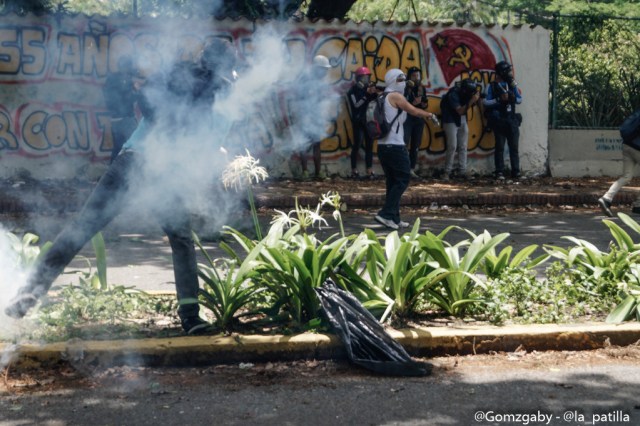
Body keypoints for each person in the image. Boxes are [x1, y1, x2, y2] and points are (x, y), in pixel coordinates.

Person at [4, 39, 238, 336]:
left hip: (132, 161)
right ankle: (191, 317)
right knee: (181, 240)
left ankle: (27, 295)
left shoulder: (175, 76)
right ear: (228, 69)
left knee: (81, 227)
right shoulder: (223, 99)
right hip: (164, 173)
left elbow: (145, 104)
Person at [374, 68, 436, 230]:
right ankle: (386, 214)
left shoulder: (381, 96)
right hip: (395, 146)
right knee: (403, 179)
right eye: (400, 80)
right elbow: (413, 110)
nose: (403, 84)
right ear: (393, 81)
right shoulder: (395, 96)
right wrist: (429, 115)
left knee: (393, 181)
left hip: (382, 146)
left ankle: (394, 218)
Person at [293, 54, 331, 179]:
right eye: (324, 69)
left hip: (315, 117)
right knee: (304, 144)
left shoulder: (317, 81)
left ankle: (317, 172)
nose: (326, 72)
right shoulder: (306, 79)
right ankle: (305, 171)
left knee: (316, 144)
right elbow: (299, 97)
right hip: (305, 117)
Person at [483, 61, 523, 180]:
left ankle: (515, 171)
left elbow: (520, 99)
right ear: (502, 72)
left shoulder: (511, 84)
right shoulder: (491, 86)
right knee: (499, 147)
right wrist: (498, 100)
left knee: (514, 147)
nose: (510, 73)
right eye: (507, 71)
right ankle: (499, 171)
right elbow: (485, 102)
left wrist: (512, 97)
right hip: (499, 120)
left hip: (511, 119)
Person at [598, 109, 640, 217]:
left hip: (626, 146)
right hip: (638, 149)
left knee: (626, 176)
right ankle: (638, 205)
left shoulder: (637, 112)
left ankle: (606, 198)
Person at [103, 56, 142, 163]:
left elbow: (109, 99)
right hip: (126, 119)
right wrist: (137, 90)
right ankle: (135, 174)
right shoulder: (124, 81)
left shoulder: (111, 79)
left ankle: (111, 174)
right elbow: (129, 99)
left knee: (118, 148)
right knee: (136, 146)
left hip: (114, 120)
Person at [440, 78, 481, 181]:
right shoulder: (453, 94)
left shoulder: (465, 93)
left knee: (463, 145)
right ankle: (447, 172)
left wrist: (475, 99)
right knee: (452, 146)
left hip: (462, 119)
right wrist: (472, 100)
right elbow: (460, 111)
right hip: (450, 119)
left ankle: (462, 170)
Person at [347, 66, 378, 179]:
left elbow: (376, 102)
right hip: (358, 121)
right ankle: (354, 170)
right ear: (358, 78)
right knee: (358, 144)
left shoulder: (368, 89)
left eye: (367, 77)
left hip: (369, 121)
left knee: (370, 146)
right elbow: (356, 105)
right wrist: (367, 95)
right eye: (364, 78)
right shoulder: (353, 90)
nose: (366, 80)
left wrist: (374, 93)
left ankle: (369, 169)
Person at [403, 66, 429, 179]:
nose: (416, 78)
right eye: (413, 76)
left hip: (418, 118)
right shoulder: (405, 88)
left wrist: (423, 104)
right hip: (407, 118)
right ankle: (403, 169)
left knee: (415, 145)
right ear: (409, 77)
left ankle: (411, 169)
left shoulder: (421, 88)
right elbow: (403, 103)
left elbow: (425, 103)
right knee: (404, 143)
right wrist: (413, 103)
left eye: (417, 75)